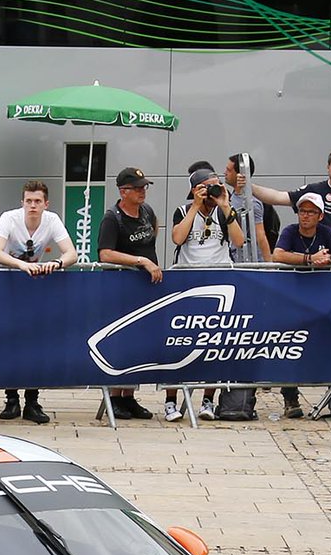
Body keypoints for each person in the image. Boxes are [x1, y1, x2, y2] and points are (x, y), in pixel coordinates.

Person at [0, 179, 75, 425]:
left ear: (46, 204)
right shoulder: (9, 217)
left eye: (38, 201)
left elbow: (71, 253)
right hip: (8, 284)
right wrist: (21, 264)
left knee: (35, 341)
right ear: (22, 202)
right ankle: (11, 398)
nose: (33, 206)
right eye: (29, 201)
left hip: (36, 285)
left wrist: (56, 263)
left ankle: (32, 400)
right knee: (10, 341)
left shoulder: (52, 220)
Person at [165, 165, 245, 419]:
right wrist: (195, 206)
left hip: (219, 281)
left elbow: (239, 241)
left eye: (215, 184)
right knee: (179, 343)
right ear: (194, 189)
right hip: (187, 283)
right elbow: (177, 238)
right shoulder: (182, 210)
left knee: (215, 344)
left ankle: (207, 400)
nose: (212, 189)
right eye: (207, 186)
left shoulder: (226, 211)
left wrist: (224, 205)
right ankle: (171, 401)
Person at [270, 192, 331, 419]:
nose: (305, 216)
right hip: (292, 296)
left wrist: (330, 259)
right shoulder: (290, 231)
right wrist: (309, 259)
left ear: (320, 216)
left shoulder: (325, 232)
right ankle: (290, 397)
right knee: (289, 344)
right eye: (302, 211)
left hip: (320, 297)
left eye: (311, 212)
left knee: (328, 341)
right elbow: (277, 255)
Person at [97, 166, 163, 421]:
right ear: (123, 192)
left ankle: (129, 396)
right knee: (121, 341)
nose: (142, 192)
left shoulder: (146, 212)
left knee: (139, 342)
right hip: (121, 287)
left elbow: (154, 232)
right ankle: (114, 397)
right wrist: (140, 261)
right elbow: (105, 253)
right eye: (137, 188)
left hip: (145, 287)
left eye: (144, 187)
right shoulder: (112, 218)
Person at [251, 147, 331, 246]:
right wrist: (249, 187)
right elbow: (278, 197)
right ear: (328, 168)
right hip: (323, 260)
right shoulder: (315, 190)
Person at [223, 152, 278, 265]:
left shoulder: (252, 202)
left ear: (239, 174)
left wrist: (269, 266)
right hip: (235, 259)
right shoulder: (231, 197)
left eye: (229, 170)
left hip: (251, 261)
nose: (225, 173)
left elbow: (260, 235)